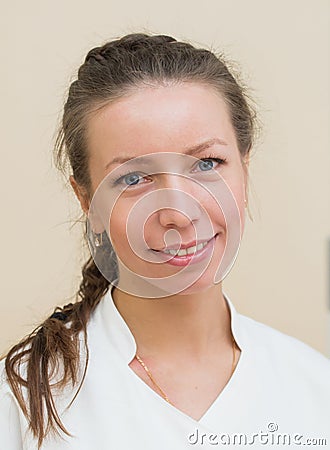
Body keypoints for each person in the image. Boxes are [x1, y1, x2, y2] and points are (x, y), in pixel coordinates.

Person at [0, 32, 329, 450]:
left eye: (207, 163)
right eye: (133, 179)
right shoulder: (19, 405)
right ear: (88, 200)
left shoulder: (316, 392)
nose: (178, 213)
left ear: (244, 170)